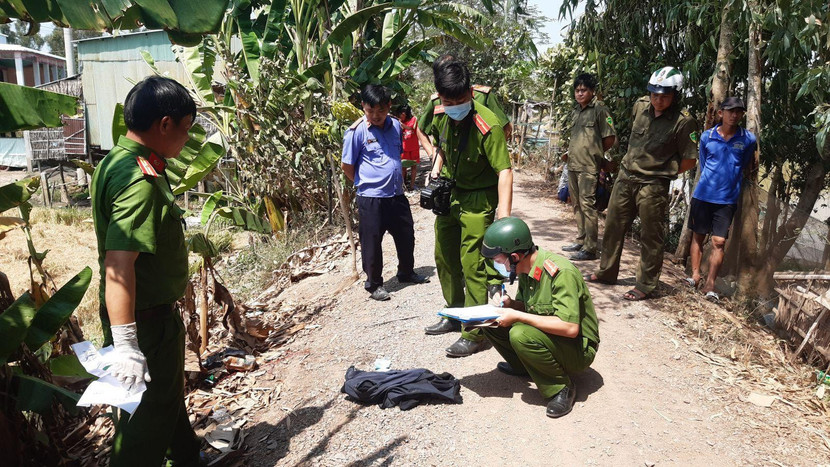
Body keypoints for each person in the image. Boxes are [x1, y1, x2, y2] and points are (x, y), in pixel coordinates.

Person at [90, 76, 202, 466]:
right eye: (185, 129)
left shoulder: (116, 161)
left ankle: (187, 458)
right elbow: (119, 266)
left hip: (150, 318)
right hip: (145, 324)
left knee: (164, 405)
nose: (186, 140)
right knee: (142, 428)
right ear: (165, 124)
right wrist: (126, 345)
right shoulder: (139, 179)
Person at [422, 58, 514, 357]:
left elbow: (505, 172)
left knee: (472, 264)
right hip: (451, 194)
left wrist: (504, 218)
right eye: (449, 101)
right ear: (440, 96)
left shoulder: (488, 124)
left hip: (478, 199)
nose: (456, 106)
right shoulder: (439, 112)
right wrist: (435, 170)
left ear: (470, 94)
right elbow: (439, 146)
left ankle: (474, 332)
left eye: (461, 100)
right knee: (445, 257)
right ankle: (453, 311)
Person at [585, 66, 699, 301]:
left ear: (675, 95)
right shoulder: (639, 106)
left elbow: (689, 159)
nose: (658, 100)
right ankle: (606, 272)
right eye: (655, 94)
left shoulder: (684, 122)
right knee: (613, 227)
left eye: (664, 96)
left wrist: (663, 171)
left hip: (653, 185)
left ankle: (645, 285)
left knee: (651, 236)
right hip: (626, 178)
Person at [480, 217, 600, 418]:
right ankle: (523, 366)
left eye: (498, 260)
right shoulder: (526, 269)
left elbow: (570, 328)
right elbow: (529, 308)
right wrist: (511, 305)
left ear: (515, 256)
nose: (496, 265)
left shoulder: (561, 273)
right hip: (555, 338)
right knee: (491, 322)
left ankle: (561, 387)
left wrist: (517, 315)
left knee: (520, 333)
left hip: (579, 349)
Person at [341, 84, 429, 301]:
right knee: (372, 242)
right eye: (370, 111)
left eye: (380, 110)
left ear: (389, 106)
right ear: (363, 106)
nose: (375, 116)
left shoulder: (397, 127)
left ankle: (406, 272)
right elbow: (347, 166)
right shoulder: (355, 132)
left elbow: (396, 153)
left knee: (406, 235)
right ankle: (374, 285)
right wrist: (366, 183)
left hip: (396, 195)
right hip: (371, 198)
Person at [686, 97, 756, 301]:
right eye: (730, 111)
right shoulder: (707, 137)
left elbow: (743, 164)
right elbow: (705, 161)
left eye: (739, 112)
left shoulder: (748, 139)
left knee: (719, 241)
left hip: (727, 200)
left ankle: (710, 285)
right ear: (720, 113)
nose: (734, 115)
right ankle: (695, 276)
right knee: (698, 236)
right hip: (703, 195)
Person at [561, 73, 616, 261]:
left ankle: (590, 248)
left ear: (592, 92)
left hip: (588, 166)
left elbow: (609, 138)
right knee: (576, 204)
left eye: (583, 90)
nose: (580, 93)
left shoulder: (600, 110)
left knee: (587, 205)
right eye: (577, 90)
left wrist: (596, 153)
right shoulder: (577, 111)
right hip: (573, 164)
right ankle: (581, 239)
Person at [417, 54, 513, 162]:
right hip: (449, 172)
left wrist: (493, 155)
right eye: (448, 103)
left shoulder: (483, 96)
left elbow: (506, 127)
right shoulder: (436, 101)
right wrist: (434, 157)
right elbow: (421, 129)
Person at [397, 104, 420, 191]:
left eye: (400, 114)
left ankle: (412, 185)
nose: (399, 116)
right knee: (403, 168)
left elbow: (411, 128)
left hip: (413, 147)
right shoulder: (399, 122)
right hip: (404, 148)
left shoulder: (413, 119)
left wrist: (401, 124)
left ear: (404, 113)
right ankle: (403, 186)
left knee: (414, 167)